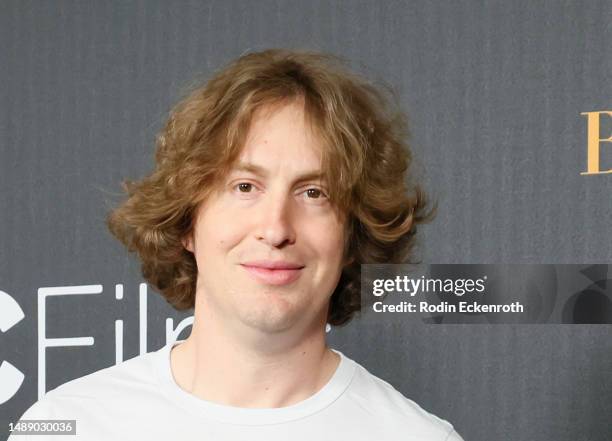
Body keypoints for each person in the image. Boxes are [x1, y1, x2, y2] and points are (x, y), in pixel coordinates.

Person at [10, 49, 463, 440]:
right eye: (245, 187)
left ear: (351, 237)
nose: (275, 227)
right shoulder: (67, 423)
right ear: (188, 222)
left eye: (314, 193)